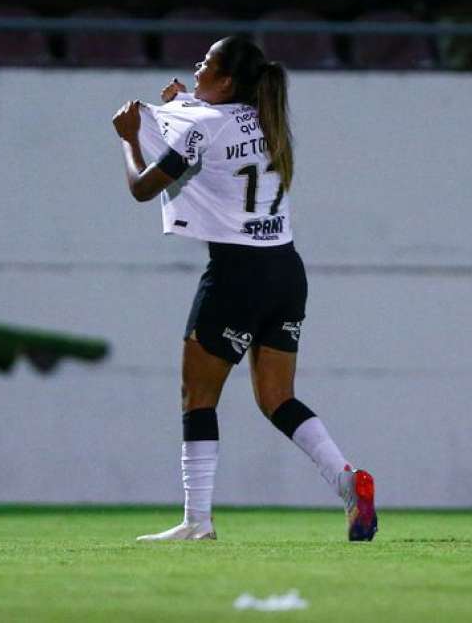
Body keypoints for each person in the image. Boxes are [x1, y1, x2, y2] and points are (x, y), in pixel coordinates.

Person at [111, 36, 377, 542]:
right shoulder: (267, 120)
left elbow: (143, 188)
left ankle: (198, 523)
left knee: (198, 397)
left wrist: (128, 137)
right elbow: (214, 124)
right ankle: (348, 480)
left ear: (227, 79)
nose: (196, 65)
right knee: (278, 398)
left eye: (206, 62)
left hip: (236, 274)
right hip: (286, 271)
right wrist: (179, 102)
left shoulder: (204, 126)